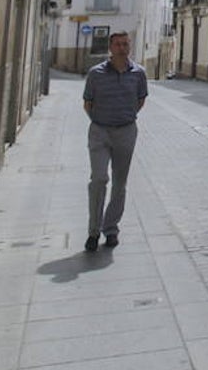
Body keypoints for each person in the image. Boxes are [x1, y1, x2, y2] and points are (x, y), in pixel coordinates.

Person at [82, 31, 148, 252]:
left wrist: (124, 117)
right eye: (118, 44)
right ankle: (93, 230)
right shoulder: (96, 73)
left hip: (126, 131)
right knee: (99, 179)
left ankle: (111, 229)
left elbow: (140, 100)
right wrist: (102, 121)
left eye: (126, 44)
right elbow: (88, 103)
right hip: (100, 131)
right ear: (110, 48)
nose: (122, 48)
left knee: (120, 184)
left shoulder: (139, 73)